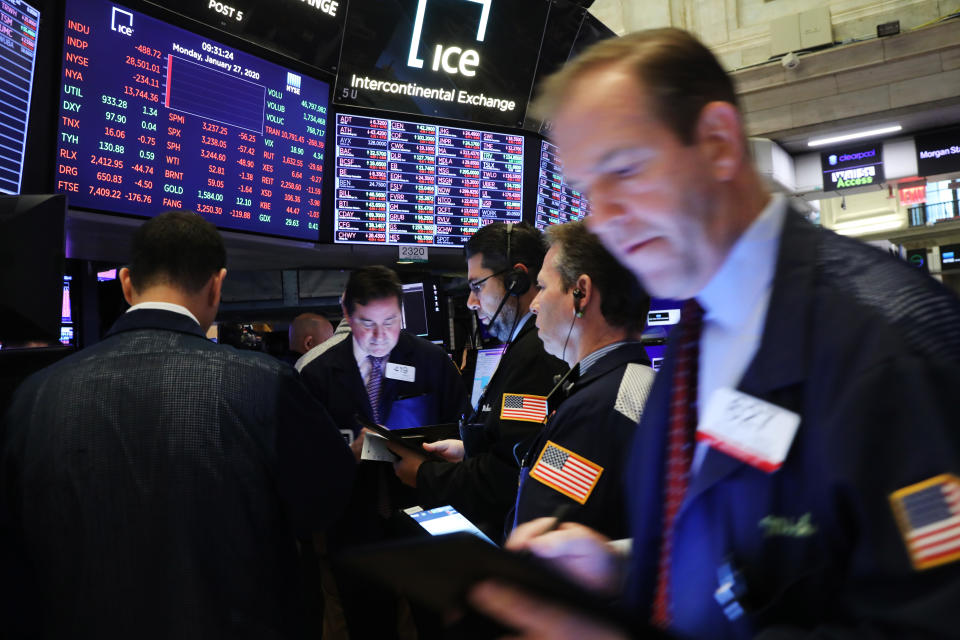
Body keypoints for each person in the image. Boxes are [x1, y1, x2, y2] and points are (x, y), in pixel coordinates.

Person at [470, 28, 960, 639]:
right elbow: (746, 554)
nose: (605, 218)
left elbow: (929, 620)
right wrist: (624, 568)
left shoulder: (886, 341)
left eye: (625, 168)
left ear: (719, 142)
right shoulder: (699, 338)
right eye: (589, 189)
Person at [0, 210, 355, 639]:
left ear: (128, 283)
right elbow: (325, 504)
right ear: (217, 285)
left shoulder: (34, 397)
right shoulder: (268, 383)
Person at [299, 265, 468, 640]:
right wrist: (345, 453)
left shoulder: (431, 362)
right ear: (346, 311)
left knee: (439, 627)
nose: (379, 337)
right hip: (356, 528)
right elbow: (302, 458)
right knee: (368, 627)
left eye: (390, 321)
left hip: (425, 523)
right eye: (367, 323)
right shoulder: (319, 373)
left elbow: (463, 432)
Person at [390, 222, 568, 537]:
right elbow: (521, 448)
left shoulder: (534, 353)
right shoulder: (525, 347)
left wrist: (426, 475)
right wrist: (468, 451)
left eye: (477, 286)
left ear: (516, 279)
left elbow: (511, 473)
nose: (472, 303)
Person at [509, 220, 653, 540]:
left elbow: (540, 541)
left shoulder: (593, 412)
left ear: (581, 293)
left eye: (543, 287)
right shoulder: (638, 383)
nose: (533, 304)